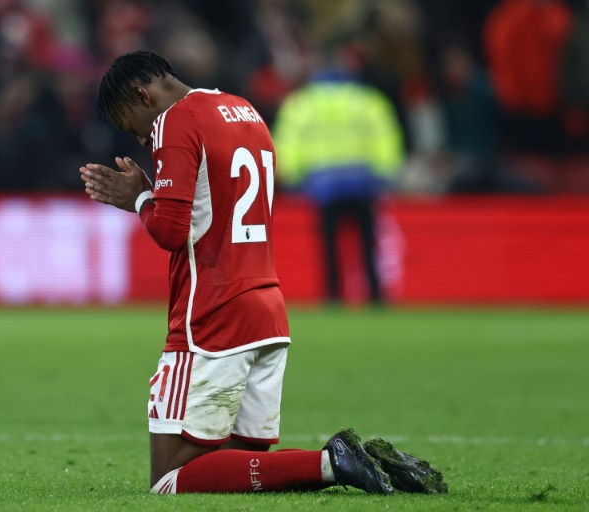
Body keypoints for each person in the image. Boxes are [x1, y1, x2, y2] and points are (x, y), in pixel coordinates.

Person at [79, 50, 445, 495]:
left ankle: (333, 462)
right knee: (239, 465)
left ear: (142, 95)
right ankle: (362, 461)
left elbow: (172, 232)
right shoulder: (244, 110)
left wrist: (139, 198)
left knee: (168, 480)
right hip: (267, 312)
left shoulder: (175, 121)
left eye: (132, 125)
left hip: (211, 318)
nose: (141, 138)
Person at [272, 45, 404, 304]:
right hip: (363, 183)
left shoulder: (302, 103)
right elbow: (385, 137)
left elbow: (288, 142)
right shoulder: (367, 100)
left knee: (329, 246)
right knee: (367, 244)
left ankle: (333, 295)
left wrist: (292, 177)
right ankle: (375, 296)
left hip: (323, 185)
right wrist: (385, 175)